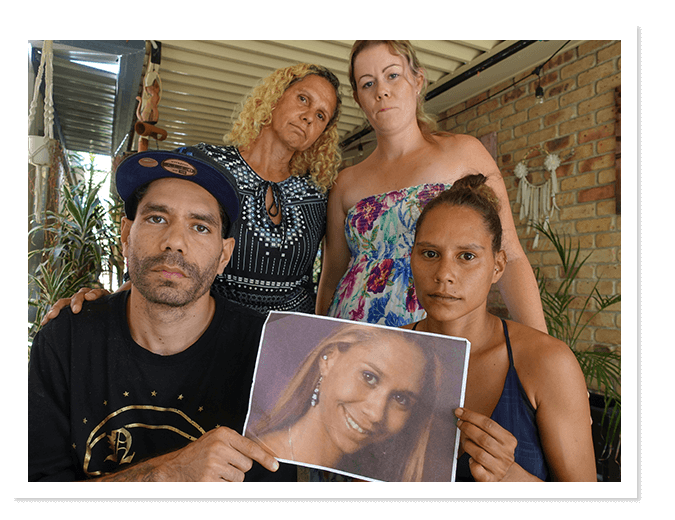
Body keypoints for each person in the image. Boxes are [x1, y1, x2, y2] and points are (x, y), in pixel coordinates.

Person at [28, 147, 292, 482]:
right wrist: (171, 474)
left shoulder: (268, 357)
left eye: (200, 227)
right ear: (126, 235)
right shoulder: (65, 340)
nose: (174, 242)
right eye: (157, 219)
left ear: (224, 255)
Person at [41, 62, 342, 324]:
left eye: (320, 116)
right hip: (208, 337)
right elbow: (158, 237)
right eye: (303, 99)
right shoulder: (205, 165)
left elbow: (321, 281)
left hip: (283, 346)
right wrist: (109, 304)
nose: (308, 117)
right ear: (275, 97)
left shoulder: (318, 192)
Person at [316, 41, 547, 333]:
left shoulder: (464, 154)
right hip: (351, 335)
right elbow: (332, 275)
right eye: (367, 83)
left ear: (418, 81)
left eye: (393, 75)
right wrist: (320, 339)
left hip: (435, 334)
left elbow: (510, 256)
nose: (381, 91)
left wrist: (541, 347)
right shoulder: (345, 182)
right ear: (359, 98)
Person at [406, 173, 596, 481]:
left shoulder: (548, 363)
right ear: (411, 258)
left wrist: (511, 478)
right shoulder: (382, 352)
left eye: (466, 256)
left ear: (497, 266)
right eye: (430, 254)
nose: (444, 274)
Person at [246, 323, 444, 481]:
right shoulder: (247, 464)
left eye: (401, 399)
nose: (376, 413)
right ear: (328, 359)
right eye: (369, 377)